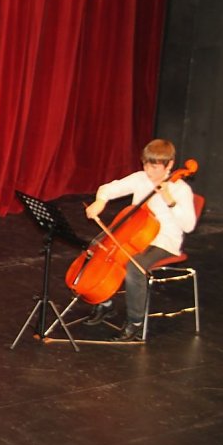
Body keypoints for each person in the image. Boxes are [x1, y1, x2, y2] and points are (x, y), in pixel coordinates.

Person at [82, 139, 197, 341]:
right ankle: (105, 303)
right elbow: (109, 188)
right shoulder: (140, 178)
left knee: (135, 267)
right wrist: (100, 202)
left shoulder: (181, 189)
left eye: (154, 166)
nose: (148, 171)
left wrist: (170, 201)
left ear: (169, 165)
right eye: (145, 164)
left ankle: (135, 322)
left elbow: (188, 225)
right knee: (96, 246)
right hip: (135, 233)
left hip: (164, 241)